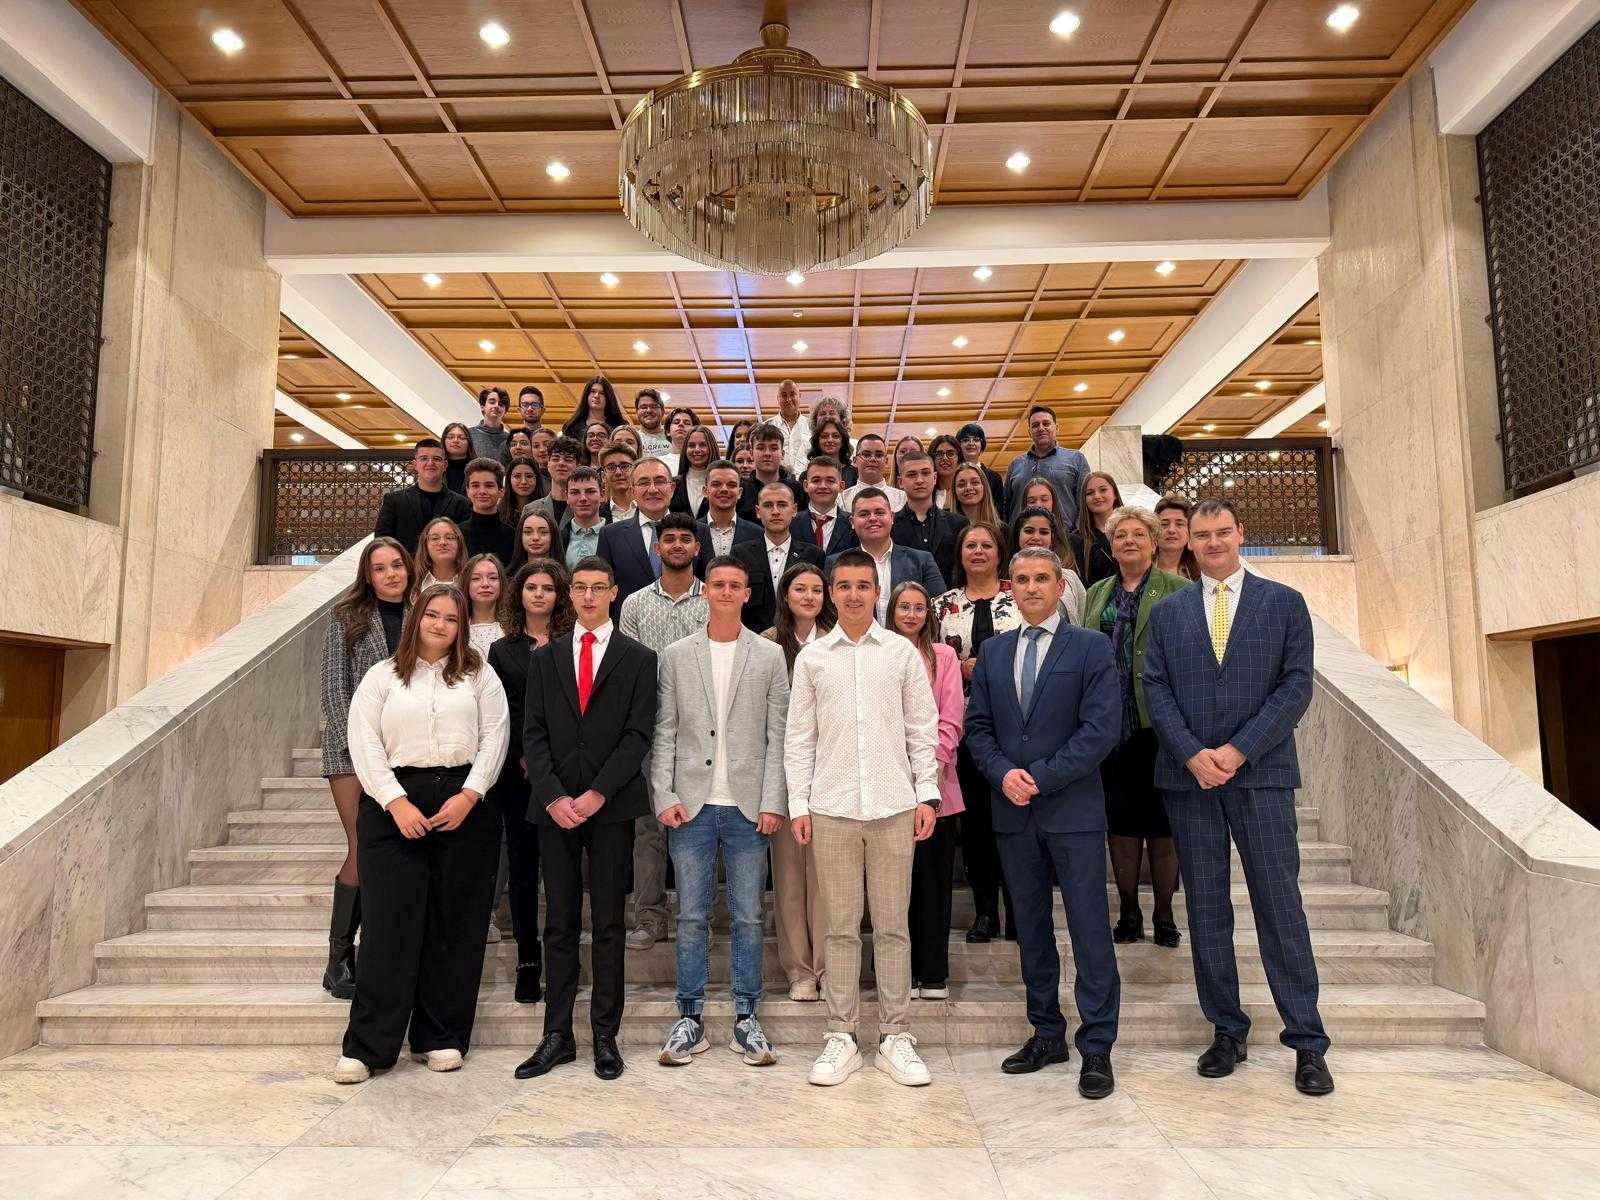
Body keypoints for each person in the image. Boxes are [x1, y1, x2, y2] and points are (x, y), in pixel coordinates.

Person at [1142, 499, 1333, 1097]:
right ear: (1188, 542)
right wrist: (1191, 753)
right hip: (1191, 779)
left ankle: (1307, 1040)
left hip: (1262, 776)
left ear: (1240, 534)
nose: (1213, 542)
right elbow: (1154, 687)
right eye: (1202, 535)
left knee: (1280, 906)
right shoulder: (1169, 612)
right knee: (1206, 908)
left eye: (1222, 532)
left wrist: (1239, 749)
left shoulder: (1284, 603)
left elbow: (1296, 686)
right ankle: (1226, 1029)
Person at [333, 583, 510, 1084]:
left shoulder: (480, 675)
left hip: (463, 801)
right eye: (433, 615)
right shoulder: (382, 676)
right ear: (417, 619)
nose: (440, 625)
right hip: (393, 803)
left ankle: (440, 1036)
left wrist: (470, 794)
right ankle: (368, 1047)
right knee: (388, 926)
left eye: (451, 619)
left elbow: (496, 736)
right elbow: (363, 741)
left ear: (462, 628)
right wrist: (395, 801)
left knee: (455, 925)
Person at [964, 547, 1122, 1098]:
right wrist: (1002, 773)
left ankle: (1096, 1045)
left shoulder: (1091, 647)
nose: (1031, 588)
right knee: (1029, 928)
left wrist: (1040, 776)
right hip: (1013, 813)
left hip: (1073, 812)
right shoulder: (994, 650)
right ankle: (1046, 1032)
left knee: (1089, 930)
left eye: (1042, 579)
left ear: (1059, 586)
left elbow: (1101, 729)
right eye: (1022, 579)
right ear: (1010, 588)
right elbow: (978, 728)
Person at [784, 549, 941, 1088]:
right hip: (831, 808)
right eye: (844, 586)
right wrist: (799, 804)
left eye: (863, 586)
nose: (853, 594)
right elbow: (799, 739)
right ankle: (842, 1034)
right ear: (832, 593)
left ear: (878, 592)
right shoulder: (813, 658)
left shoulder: (900, 654)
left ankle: (896, 1035)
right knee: (841, 929)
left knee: (893, 927)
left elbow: (922, 729)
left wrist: (927, 795)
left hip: (894, 806)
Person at [516, 557, 658, 1082]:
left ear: (615, 593)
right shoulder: (545, 657)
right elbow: (532, 732)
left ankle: (604, 1034)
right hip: (555, 808)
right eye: (581, 588)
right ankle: (557, 1034)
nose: (590, 596)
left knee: (609, 924)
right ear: (570, 594)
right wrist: (553, 795)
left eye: (599, 588)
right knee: (558, 922)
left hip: (611, 806)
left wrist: (599, 792)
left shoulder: (638, 658)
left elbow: (638, 734)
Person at [652, 555, 790, 1067]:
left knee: (749, 916)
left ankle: (746, 1018)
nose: (727, 592)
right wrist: (663, 794)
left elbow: (778, 736)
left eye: (736, 585)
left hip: (748, 808)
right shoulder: (676, 655)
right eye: (719, 584)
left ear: (747, 594)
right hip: (690, 805)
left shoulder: (770, 655)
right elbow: (665, 730)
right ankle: (689, 1018)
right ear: (705, 590)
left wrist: (774, 801)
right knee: (691, 915)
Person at [1080, 507, 1191, 948]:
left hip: (1159, 724)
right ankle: (1128, 911)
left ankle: (1164, 913)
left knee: (1163, 826)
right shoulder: (1097, 592)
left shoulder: (1178, 589)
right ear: (1111, 546)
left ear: (1153, 541)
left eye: (1138, 534)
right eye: (1120, 535)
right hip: (1111, 727)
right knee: (1121, 823)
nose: (1129, 541)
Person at [318, 536, 413, 1000]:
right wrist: (358, 747)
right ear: (368, 576)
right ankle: (338, 958)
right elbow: (334, 690)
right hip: (351, 753)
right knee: (362, 845)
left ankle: (379, 952)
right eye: (381, 568)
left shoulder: (421, 614)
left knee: (391, 853)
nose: (391, 574)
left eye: (397, 565)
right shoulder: (346, 617)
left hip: (404, 751)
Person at [486, 558, 576, 1006]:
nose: (539, 594)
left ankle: (564, 958)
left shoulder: (573, 644)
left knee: (563, 870)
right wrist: (525, 758)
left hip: (566, 773)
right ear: (518, 594)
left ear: (560, 596)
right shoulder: (502, 650)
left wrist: (552, 763)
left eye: (548, 588)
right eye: (531, 587)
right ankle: (527, 959)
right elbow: (502, 713)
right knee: (522, 869)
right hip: (517, 774)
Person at [617, 512, 708, 953]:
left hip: (702, 732)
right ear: (657, 548)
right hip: (650, 729)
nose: (676, 545)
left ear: (697, 548)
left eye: (684, 539)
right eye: (668, 538)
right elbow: (628, 673)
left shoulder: (713, 600)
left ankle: (698, 915)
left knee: (700, 827)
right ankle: (650, 917)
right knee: (649, 829)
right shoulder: (634, 604)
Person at [934, 520, 1023, 944]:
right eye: (970, 545)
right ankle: (985, 912)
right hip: (966, 730)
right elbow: (930, 661)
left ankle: (1019, 912)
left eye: (987, 545)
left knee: (1016, 822)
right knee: (977, 827)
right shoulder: (942, 606)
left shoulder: (1021, 596)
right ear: (960, 554)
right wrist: (959, 668)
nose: (979, 552)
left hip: (1017, 727)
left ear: (1000, 552)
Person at [888, 581, 965, 1001]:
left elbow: (951, 718)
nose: (912, 614)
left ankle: (932, 973)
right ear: (892, 612)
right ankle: (898, 973)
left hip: (938, 785)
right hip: (888, 786)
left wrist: (929, 772)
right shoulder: (879, 653)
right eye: (904, 607)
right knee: (893, 890)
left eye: (919, 608)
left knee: (933, 883)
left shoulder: (944, 656)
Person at [764, 562, 834, 1000]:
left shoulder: (838, 641)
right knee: (789, 879)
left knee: (827, 879)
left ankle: (829, 967)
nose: (809, 597)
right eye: (800, 589)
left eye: (816, 590)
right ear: (785, 596)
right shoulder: (769, 644)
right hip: (784, 775)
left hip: (830, 774)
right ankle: (799, 971)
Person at [827, 489, 944, 626]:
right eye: (864, 514)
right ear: (852, 522)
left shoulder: (922, 561)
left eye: (879, 512)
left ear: (892, 517)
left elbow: (939, 612)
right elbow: (829, 614)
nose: (872, 518)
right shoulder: (836, 563)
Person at [734, 479, 823, 632]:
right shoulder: (741, 554)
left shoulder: (813, 555)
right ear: (758, 511)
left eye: (782, 505)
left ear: (794, 510)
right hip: (754, 638)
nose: (775, 511)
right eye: (768, 505)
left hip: (800, 637)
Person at [596, 456, 675, 620]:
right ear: (632, 491)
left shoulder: (697, 532)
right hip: (628, 629)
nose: (652, 489)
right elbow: (603, 591)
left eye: (659, 481)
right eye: (644, 483)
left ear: (672, 488)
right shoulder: (610, 535)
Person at [374, 438, 472, 555]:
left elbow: (464, 544)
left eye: (436, 459)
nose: (430, 463)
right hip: (406, 565)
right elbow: (382, 542)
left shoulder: (462, 503)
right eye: (424, 458)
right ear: (415, 464)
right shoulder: (394, 501)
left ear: (445, 465)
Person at [1004, 406, 1090, 528]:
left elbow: (1085, 503)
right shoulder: (1015, 464)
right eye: (1035, 425)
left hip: (1065, 535)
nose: (1041, 428)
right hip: (1021, 536)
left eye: (1046, 424)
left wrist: (1076, 533)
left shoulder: (1076, 459)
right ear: (1029, 432)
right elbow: (1005, 506)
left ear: (1057, 428)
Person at [893, 450, 967, 585]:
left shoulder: (958, 523)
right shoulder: (890, 525)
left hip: (951, 595)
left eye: (925, 473)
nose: (919, 480)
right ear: (900, 482)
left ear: (934, 478)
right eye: (911, 475)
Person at [1011, 505, 1087, 622]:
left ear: (1052, 537)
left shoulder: (1070, 578)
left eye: (1044, 532)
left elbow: (1084, 620)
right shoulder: (1005, 579)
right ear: (1018, 535)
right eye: (1029, 531)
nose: (1036, 537)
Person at [697, 459, 761, 570]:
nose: (724, 489)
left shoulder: (757, 534)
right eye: (716, 484)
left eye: (731, 485)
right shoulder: (692, 531)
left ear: (740, 492)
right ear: (705, 491)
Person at [737, 422, 805, 520]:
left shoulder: (797, 489)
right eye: (761, 448)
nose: (767, 453)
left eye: (773, 448)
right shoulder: (741, 490)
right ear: (751, 454)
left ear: (782, 454)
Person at [793, 455, 857, 556]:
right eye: (816, 480)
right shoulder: (791, 523)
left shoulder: (853, 524)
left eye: (830, 481)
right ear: (806, 485)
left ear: (841, 486)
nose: (823, 486)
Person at [461, 458, 517, 566]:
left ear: (501, 491)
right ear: (468, 491)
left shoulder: (512, 535)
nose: (482, 491)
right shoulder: (457, 534)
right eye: (475, 485)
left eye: (489, 485)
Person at [1076, 471, 1123, 586]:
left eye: (1103, 490)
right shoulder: (1077, 540)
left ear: (1115, 494)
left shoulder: (1133, 532)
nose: (1097, 496)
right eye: (1090, 493)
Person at [524, 436, 582, 528]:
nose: (561, 463)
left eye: (568, 459)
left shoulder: (586, 507)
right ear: (548, 464)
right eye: (555, 459)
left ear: (578, 466)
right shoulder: (530, 509)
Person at [560, 466, 610, 569]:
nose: (583, 498)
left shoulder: (618, 536)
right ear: (566, 497)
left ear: (602, 495)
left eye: (590, 491)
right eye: (575, 492)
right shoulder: (557, 539)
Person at [841, 434, 907, 512]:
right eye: (866, 454)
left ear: (886, 461)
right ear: (855, 461)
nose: (872, 459)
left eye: (879, 455)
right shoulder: (842, 500)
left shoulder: (902, 499)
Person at [461, 553, 506, 660]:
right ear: (466, 584)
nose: (485, 584)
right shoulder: (457, 628)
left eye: (493, 578)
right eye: (476, 578)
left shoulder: (516, 628)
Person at [956, 422, 1007, 516]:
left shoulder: (994, 477)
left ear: (982, 444)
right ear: (959, 445)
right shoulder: (953, 475)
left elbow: (999, 511)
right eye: (966, 440)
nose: (971, 443)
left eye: (976, 440)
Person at [670, 425, 717, 517]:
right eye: (691, 445)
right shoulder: (672, 484)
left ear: (711, 447)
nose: (697, 449)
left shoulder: (722, 484)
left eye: (703, 445)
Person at [771, 378, 813, 479]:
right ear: (778, 398)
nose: (788, 399)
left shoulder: (813, 426)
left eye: (792, 394)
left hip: (806, 481)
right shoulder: (767, 426)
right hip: (776, 482)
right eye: (784, 395)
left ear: (799, 396)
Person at [560, 375, 625, 441]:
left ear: (608, 398)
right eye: (593, 391)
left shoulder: (618, 426)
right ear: (586, 395)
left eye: (602, 393)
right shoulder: (572, 427)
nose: (596, 396)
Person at [413, 517, 466, 594]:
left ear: (459, 544)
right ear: (425, 546)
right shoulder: (412, 583)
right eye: (435, 538)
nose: (442, 542)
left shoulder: (471, 581)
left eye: (449, 537)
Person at [949, 461, 1005, 533]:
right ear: (954, 491)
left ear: (984, 487)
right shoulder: (945, 528)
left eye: (975, 482)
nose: (969, 488)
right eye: (961, 484)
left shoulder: (1003, 530)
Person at [1155, 493, 1200, 581]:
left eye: (1179, 524)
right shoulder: (1140, 570)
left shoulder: (1203, 572)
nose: (1171, 530)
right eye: (1164, 524)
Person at [508, 509, 559, 576]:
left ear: (553, 535)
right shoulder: (506, 577)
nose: (535, 538)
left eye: (543, 532)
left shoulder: (566, 577)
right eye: (528, 532)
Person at [809, 416, 856, 486]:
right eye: (824, 436)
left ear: (843, 441)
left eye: (835, 436)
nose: (830, 440)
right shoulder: (807, 474)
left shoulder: (853, 473)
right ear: (817, 441)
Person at [470, 387, 513, 462]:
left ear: (505, 411)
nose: (496, 406)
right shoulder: (468, 434)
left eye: (501, 404)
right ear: (482, 407)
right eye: (492, 402)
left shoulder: (511, 440)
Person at [600, 439, 638, 522]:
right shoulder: (597, 515)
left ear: (635, 471)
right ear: (603, 476)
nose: (618, 472)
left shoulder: (650, 508)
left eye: (625, 466)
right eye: (611, 468)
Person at [498, 457, 542, 526]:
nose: (523, 481)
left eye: (529, 476)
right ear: (509, 480)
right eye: (517, 476)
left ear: (537, 479)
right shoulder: (497, 512)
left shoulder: (547, 509)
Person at [633, 387, 672, 458]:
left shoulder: (673, 436)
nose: (648, 411)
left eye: (654, 406)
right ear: (637, 412)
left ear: (663, 411)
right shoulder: (632, 438)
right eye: (643, 407)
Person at [928, 433, 962, 507]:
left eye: (950, 454)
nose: (945, 458)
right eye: (939, 454)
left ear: (959, 459)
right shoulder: (926, 494)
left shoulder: (966, 491)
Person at [662, 406, 697, 474]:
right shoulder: (659, 462)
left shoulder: (701, 461)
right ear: (668, 431)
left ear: (694, 431)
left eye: (687, 423)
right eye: (676, 422)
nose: (681, 424)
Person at [442, 422, 474, 495]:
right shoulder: (436, 466)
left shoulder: (478, 468)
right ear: (444, 440)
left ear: (469, 442)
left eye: (462, 438)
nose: (455, 441)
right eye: (451, 437)